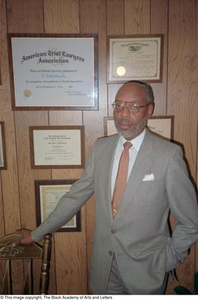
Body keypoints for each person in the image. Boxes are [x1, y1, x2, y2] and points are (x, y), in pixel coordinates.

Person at [19, 81, 198, 295]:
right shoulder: (101, 148)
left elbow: (190, 221)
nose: (124, 114)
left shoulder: (168, 155)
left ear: (149, 110)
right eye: (119, 105)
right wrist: (39, 233)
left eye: (134, 107)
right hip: (104, 270)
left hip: (147, 271)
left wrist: (166, 260)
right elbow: (75, 196)